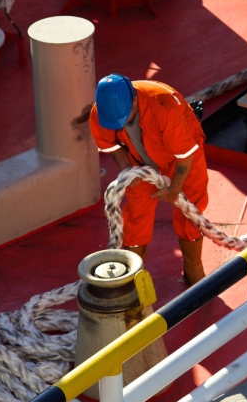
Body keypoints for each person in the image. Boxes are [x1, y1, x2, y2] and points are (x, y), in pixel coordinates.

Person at [89, 74, 209, 285]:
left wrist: (174, 189)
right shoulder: (101, 113)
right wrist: (127, 169)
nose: (119, 125)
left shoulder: (163, 107)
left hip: (182, 155)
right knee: (137, 214)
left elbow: (185, 155)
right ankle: (132, 277)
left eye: (123, 118)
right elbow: (111, 145)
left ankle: (193, 269)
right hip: (138, 161)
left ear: (134, 100)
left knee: (191, 208)